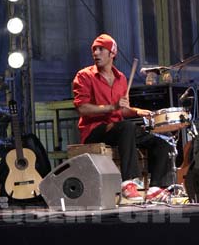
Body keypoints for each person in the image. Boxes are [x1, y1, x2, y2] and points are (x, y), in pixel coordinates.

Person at [72, 34, 171, 202]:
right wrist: (113, 107)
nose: (96, 53)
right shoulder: (84, 76)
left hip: (119, 130)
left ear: (112, 53)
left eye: (101, 49)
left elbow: (123, 110)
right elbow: (82, 108)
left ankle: (155, 187)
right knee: (126, 127)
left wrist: (138, 111)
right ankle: (129, 182)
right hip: (94, 130)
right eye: (94, 49)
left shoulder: (121, 78)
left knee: (162, 141)